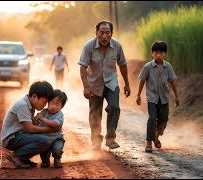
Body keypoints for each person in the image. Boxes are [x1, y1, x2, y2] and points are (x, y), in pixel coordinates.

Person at [78, 20, 131, 151]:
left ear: (111, 34)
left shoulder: (117, 46)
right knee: (95, 114)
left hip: (111, 83)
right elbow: (83, 67)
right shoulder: (88, 46)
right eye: (101, 33)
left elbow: (122, 65)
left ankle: (111, 138)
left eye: (107, 33)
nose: (104, 36)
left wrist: (127, 84)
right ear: (96, 33)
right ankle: (96, 140)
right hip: (94, 84)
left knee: (114, 107)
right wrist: (85, 86)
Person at [1, 80, 60, 168]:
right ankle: (16, 156)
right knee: (44, 140)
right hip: (12, 138)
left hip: (20, 135)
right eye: (44, 102)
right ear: (35, 96)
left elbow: (30, 124)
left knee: (44, 137)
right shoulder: (22, 105)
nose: (45, 105)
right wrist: (51, 129)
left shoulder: (30, 106)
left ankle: (23, 158)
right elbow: (30, 129)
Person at [136, 41, 179, 153]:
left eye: (161, 53)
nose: (158, 55)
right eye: (156, 53)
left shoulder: (168, 66)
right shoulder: (148, 67)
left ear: (164, 54)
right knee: (152, 118)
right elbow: (142, 81)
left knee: (164, 119)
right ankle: (149, 142)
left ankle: (156, 136)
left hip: (164, 97)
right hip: (152, 97)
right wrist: (138, 95)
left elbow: (173, 82)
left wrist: (176, 96)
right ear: (152, 54)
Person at [32, 89, 68, 168]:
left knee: (57, 149)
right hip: (44, 138)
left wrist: (42, 119)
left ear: (62, 106)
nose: (53, 107)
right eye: (52, 103)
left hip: (56, 138)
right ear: (48, 103)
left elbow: (55, 124)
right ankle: (45, 160)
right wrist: (35, 119)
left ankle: (57, 159)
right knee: (43, 152)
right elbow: (36, 122)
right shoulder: (44, 112)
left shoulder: (59, 115)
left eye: (57, 104)